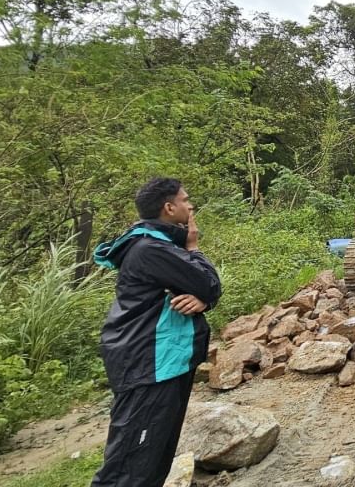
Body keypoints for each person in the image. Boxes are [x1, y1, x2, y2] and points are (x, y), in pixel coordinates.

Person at [91, 178, 222, 487]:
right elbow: (209, 283)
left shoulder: (157, 246)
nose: (190, 206)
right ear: (168, 207)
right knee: (130, 466)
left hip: (163, 361)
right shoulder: (151, 249)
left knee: (154, 460)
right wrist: (194, 248)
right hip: (149, 364)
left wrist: (203, 299)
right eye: (185, 200)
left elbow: (201, 290)